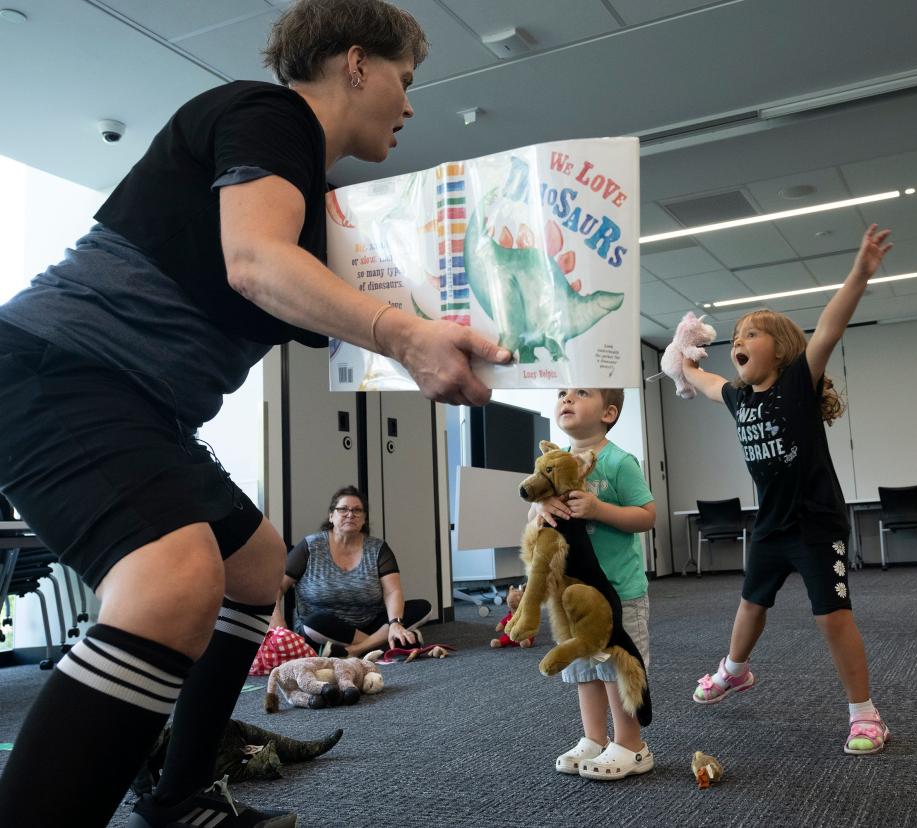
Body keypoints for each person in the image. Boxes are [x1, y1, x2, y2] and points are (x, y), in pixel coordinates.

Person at [0, 2, 510, 825]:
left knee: (255, 564)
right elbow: (254, 263)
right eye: (404, 81)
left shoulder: (315, 198)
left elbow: (320, 300)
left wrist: (446, 327)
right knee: (173, 580)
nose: (410, 105)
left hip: (144, 405)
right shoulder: (267, 114)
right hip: (57, 370)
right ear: (355, 64)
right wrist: (405, 334)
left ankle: (178, 796)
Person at [680, 224, 894, 755]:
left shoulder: (799, 381)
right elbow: (704, 383)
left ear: (780, 349)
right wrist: (679, 360)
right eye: (735, 338)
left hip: (816, 524)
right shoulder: (738, 398)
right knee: (751, 602)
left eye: (750, 334)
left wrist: (859, 274)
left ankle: (865, 715)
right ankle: (735, 671)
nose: (738, 343)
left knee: (831, 615)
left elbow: (828, 327)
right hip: (772, 525)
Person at [532, 388, 658, 780]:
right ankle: (594, 738)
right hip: (572, 594)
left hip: (617, 591)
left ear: (609, 412)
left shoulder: (620, 462)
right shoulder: (554, 464)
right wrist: (541, 508)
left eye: (580, 393)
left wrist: (600, 509)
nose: (566, 398)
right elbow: (536, 517)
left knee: (617, 666)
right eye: (562, 393)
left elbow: (647, 515)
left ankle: (632, 745)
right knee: (583, 666)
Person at [272, 485, 432, 657]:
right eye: (343, 509)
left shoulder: (378, 548)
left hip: (369, 622)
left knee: (422, 607)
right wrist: (279, 626)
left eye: (357, 510)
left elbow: (392, 591)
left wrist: (394, 623)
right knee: (314, 623)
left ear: (364, 519)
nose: (350, 514)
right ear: (331, 515)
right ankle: (387, 644)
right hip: (325, 628)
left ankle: (353, 650)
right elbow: (277, 587)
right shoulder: (310, 546)